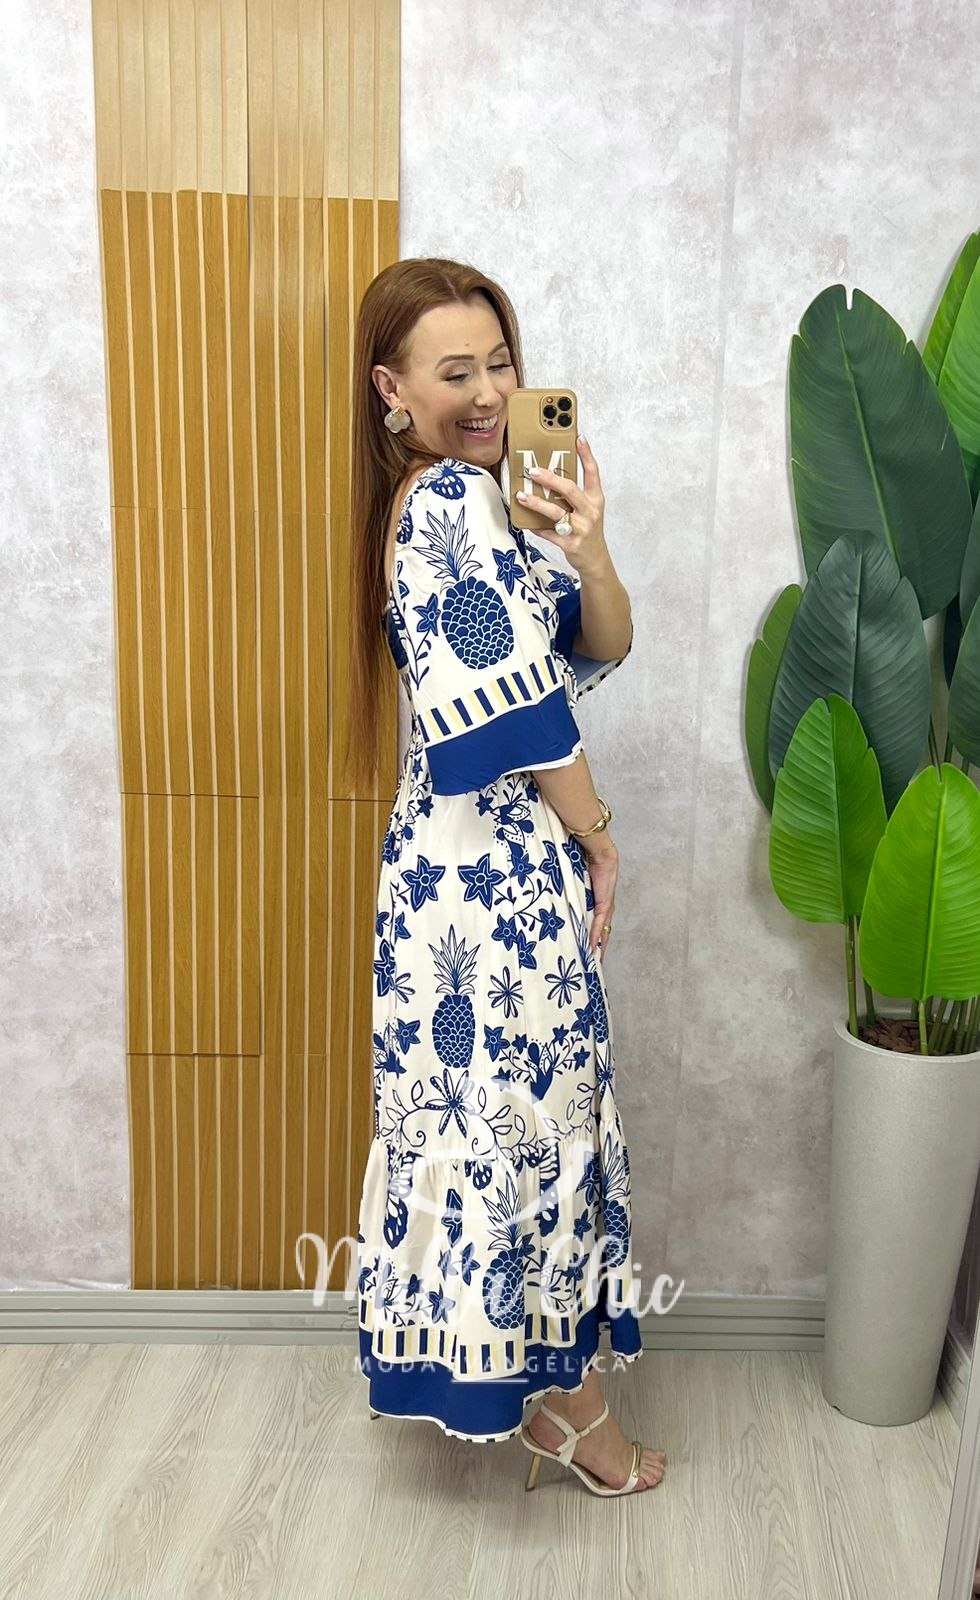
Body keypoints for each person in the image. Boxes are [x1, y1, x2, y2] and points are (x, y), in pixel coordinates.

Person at [346, 258, 666, 1497]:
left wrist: (588, 546)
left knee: (506, 1126)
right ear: (391, 388)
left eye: (500, 362)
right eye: (453, 371)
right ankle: (575, 1419)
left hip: (458, 874)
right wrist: (597, 833)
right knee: (527, 1125)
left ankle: (550, 1405)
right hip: (486, 883)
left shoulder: (474, 505)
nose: (487, 392)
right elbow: (517, 712)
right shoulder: (444, 505)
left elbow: (599, 641)